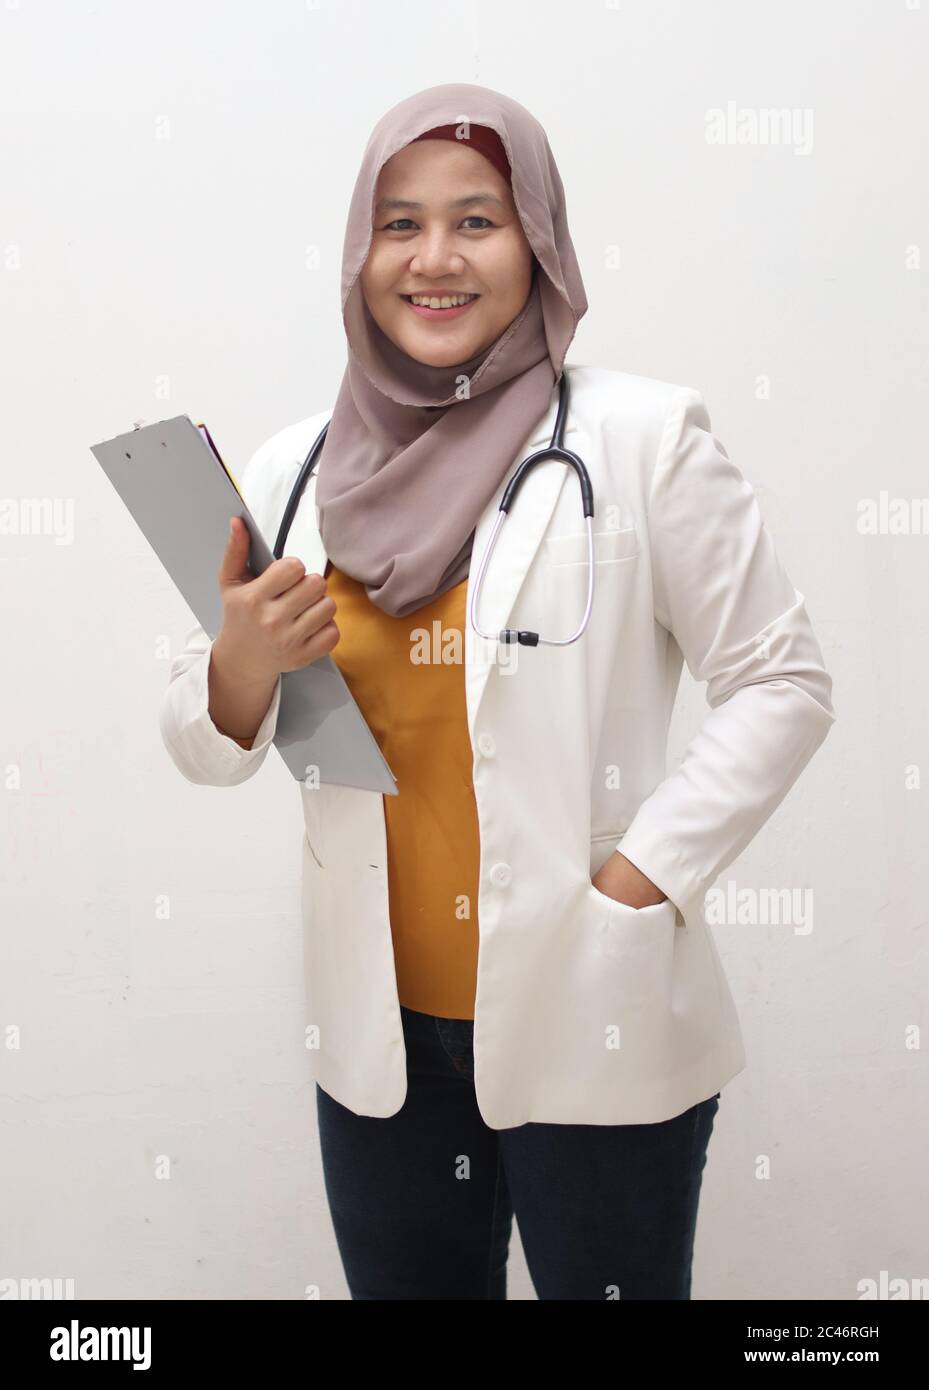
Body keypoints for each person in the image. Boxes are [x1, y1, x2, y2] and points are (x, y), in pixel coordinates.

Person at [159, 83, 836, 1300]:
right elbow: (203, 741)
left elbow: (780, 679)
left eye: (477, 219)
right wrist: (237, 668)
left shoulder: (642, 438)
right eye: (398, 222)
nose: (434, 258)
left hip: (592, 1005)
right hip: (380, 1046)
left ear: (539, 239)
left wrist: (641, 876)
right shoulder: (293, 467)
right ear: (359, 252)